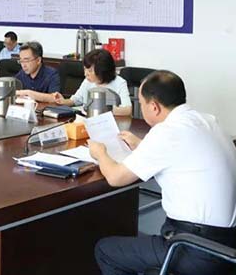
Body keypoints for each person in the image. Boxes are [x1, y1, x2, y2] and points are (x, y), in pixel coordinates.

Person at [90, 70, 236, 275]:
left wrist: (100, 153)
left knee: (106, 250)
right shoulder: (207, 120)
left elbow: (115, 177)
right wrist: (141, 145)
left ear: (154, 106)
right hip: (227, 243)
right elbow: (181, 154)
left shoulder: (167, 132)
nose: (141, 108)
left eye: (141, 103)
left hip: (195, 248)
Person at [53, 49, 132, 116]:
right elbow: (76, 100)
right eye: (85, 69)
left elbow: (128, 110)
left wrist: (102, 109)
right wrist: (63, 101)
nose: (85, 74)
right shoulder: (88, 81)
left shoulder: (119, 83)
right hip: (87, 119)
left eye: (90, 71)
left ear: (102, 71)